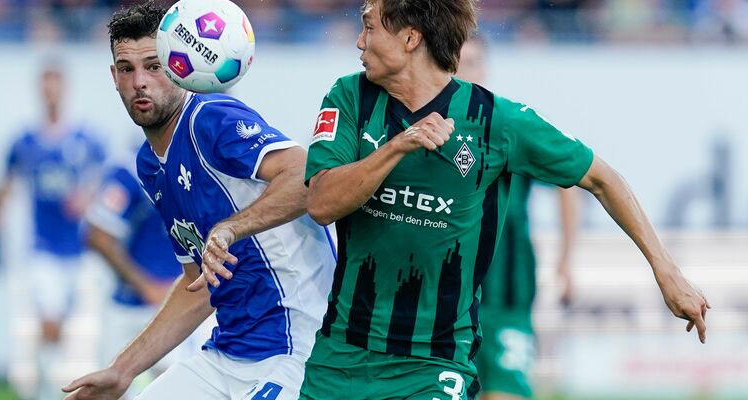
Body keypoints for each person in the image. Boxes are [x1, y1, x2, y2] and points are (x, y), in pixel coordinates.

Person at [300, 0, 710, 399]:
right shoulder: (350, 97)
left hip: (432, 364)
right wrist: (397, 147)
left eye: (369, 27)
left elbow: (603, 179)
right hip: (339, 356)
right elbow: (321, 203)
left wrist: (665, 270)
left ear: (410, 37)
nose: (359, 41)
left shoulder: (497, 121)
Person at [62, 2, 336, 399]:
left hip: (298, 349)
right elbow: (199, 285)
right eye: (127, 69)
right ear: (114, 77)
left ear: (179, 66)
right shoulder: (148, 165)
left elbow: (308, 177)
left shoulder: (210, 117)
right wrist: (122, 371)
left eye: (153, 66)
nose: (140, 81)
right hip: (224, 356)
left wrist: (230, 228)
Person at [456, 36, 578, 400]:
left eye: (473, 62)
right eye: (458, 62)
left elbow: (570, 181)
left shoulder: (508, 128)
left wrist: (566, 260)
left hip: (508, 291)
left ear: (486, 68)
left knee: (505, 392)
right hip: (449, 302)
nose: (466, 70)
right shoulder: (427, 130)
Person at [0, 62, 106, 400]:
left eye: (56, 86)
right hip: (43, 249)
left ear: (64, 90)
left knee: (82, 330)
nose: (51, 93)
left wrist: (88, 196)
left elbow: (107, 179)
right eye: (46, 87)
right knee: (50, 324)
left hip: (82, 249)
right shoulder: (25, 142)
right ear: (40, 91)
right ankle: (47, 388)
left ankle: (75, 385)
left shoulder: (86, 139)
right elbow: (6, 182)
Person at [83, 150, 201, 399]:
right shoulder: (129, 171)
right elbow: (98, 235)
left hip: (181, 306)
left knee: (177, 389)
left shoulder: (203, 167)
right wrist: (144, 285)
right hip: (130, 307)